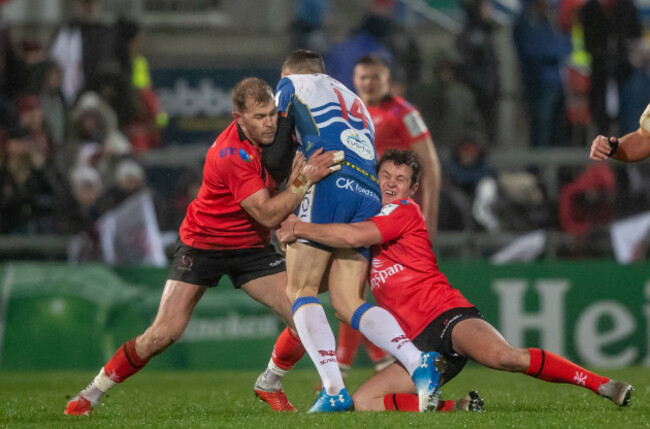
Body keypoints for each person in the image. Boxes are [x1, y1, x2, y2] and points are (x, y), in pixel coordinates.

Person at [64, 77, 342, 416]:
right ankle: (89, 394)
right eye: (258, 117)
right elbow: (268, 214)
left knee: (305, 320)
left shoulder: (279, 127)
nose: (269, 123)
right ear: (237, 117)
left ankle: (269, 381)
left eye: (271, 114)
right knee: (163, 334)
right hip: (203, 244)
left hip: (249, 248)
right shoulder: (230, 154)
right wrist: (301, 182)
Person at [277, 148, 634, 411]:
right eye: (385, 176)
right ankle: (457, 407)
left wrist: (299, 227)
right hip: (415, 345)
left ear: (412, 189)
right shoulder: (362, 219)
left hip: (446, 316)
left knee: (506, 358)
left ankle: (603, 385)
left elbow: (353, 238)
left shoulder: (402, 212)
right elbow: (344, 275)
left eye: (400, 180)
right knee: (363, 401)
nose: (390, 184)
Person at [260, 50, 446, 413]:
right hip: (367, 190)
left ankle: (333, 388)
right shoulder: (353, 99)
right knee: (348, 303)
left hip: (327, 177)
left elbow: (278, 147)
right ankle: (417, 361)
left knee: (301, 288)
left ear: (289, 71)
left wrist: (284, 186)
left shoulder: (289, 84)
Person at [323, 54, 444, 380]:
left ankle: (354, 366)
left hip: (395, 218)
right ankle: (373, 362)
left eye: (375, 78)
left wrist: (428, 217)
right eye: (362, 78)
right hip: (364, 212)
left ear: (387, 80)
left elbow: (430, 165)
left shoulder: (405, 113)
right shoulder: (351, 114)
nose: (368, 84)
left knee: (358, 288)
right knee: (353, 286)